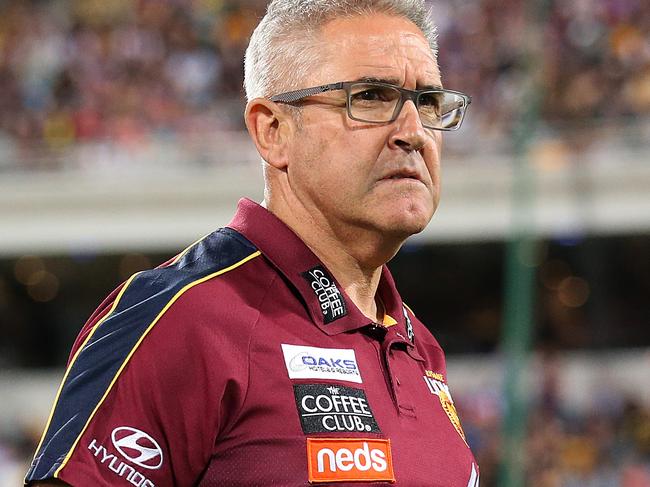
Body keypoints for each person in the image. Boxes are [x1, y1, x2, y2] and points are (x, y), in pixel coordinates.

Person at [26, 0, 476, 485]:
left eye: (428, 102)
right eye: (369, 97)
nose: (413, 132)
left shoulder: (417, 343)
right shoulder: (186, 317)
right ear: (272, 130)